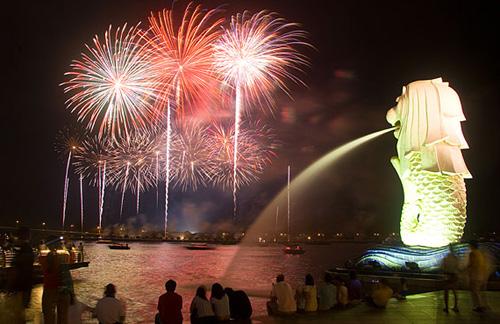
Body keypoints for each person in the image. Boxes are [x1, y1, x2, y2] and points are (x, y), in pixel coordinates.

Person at [8, 227, 35, 322]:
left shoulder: (22, 249)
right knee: (19, 314)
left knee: (18, 314)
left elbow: (16, 268)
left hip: (20, 286)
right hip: (23, 286)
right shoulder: (26, 249)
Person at [467, 241, 489, 312]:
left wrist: (463, 270)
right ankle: (482, 305)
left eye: (469, 246)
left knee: (475, 291)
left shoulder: (472, 253)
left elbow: (471, 264)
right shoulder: (480, 254)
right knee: (478, 291)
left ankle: (479, 306)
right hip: (481, 275)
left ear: (471, 246)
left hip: (474, 275)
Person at [442, 245, 460, 313]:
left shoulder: (445, 258)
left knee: (446, 292)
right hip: (454, 276)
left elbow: (443, 268)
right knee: (455, 292)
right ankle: (455, 307)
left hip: (447, 276)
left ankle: (446, 307)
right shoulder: (456, 258)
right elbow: (458, 267)